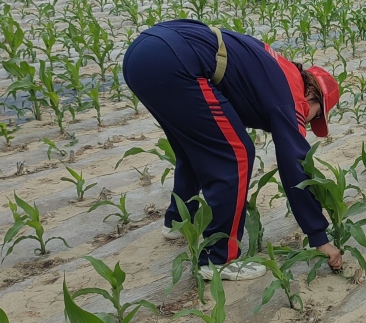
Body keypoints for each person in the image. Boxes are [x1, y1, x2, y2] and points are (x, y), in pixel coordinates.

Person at [122, 20, 343, 280]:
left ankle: (179, 222)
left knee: (196, 146)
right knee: (236, 156)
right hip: (176, 61)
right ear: (313, 96)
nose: (307, 122)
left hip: (145, 51)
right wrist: (319, 236)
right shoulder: (292, 96)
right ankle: (218, 259)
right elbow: (294, 165)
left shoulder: (279, 69)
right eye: (315, 115)